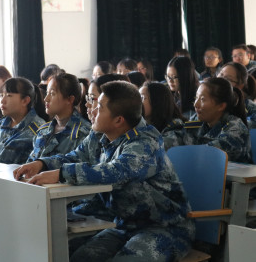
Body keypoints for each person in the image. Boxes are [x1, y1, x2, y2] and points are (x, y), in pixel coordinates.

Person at [13, 81, 194, 261]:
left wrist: (61, 174)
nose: (91, 110)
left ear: (118, 120)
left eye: (99, 107)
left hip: (165, 227)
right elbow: (74, 157)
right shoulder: (99, 135)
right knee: (79, 258)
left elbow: (115, 172)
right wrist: (42, 164)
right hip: (124, 225)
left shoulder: (146, 143)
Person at [183, 77, 251, 163]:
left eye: (202, 99)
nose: (196, 104)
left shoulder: (235, 128)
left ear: (221, 106)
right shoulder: (195, 121)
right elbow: (178, 140)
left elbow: (207, 155)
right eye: (196, 97)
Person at [28, 73, 91, 161]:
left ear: (70, 99)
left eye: (52, 94)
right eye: (47, 93)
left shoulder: (83, 134)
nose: (46, 99)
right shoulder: (43, 130)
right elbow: (30, 164)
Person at [0, 77, 46, 164]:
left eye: (9, 95)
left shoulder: (38, 129)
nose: (2, 101)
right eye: (1, 95)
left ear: (25, 100)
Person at [139, 82, 186, 150]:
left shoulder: (175, 128)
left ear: (157, 102)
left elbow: (151, 149)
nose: (137, 102)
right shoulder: (141, 125)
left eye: (142, 97)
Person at [218, 62, 256, 128]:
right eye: (221, 74)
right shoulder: (207, 101)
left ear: (240, 86)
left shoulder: (249, 107)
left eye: (228, 79)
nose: (221, 80)